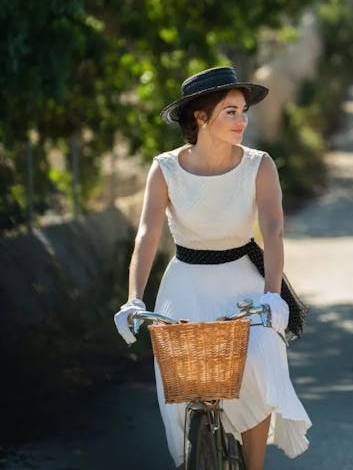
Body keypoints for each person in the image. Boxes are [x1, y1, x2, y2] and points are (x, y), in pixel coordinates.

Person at [113, 66, 311, 470]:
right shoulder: (165, 168)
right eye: (231, 112)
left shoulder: (259, 165)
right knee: (181, 381)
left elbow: (273, 231)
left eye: (243, 111)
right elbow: (148, 236)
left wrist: (273, 294)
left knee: (259, 361)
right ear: (200, 117)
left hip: (244, 282)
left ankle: (254, 466)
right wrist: (134, 298)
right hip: (184, 284)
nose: (243, 121)